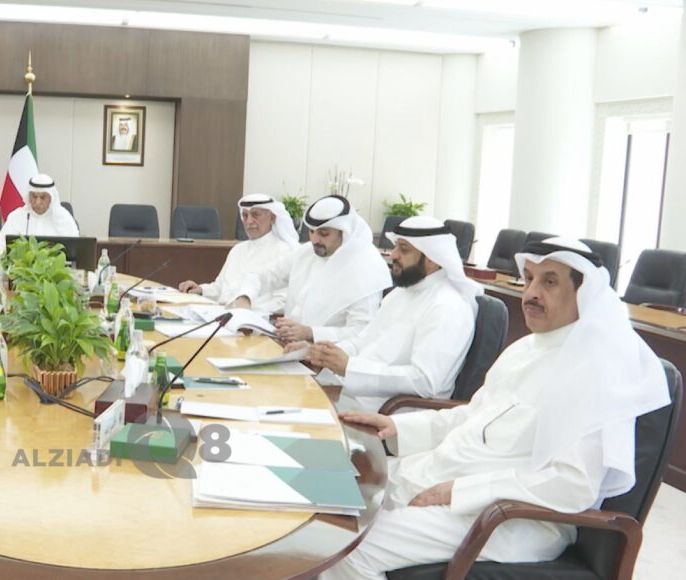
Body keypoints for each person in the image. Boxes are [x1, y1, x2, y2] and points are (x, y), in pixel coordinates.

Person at [323, 238, 671, 580]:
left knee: (349, 545)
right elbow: (473, 416)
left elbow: (573, 485)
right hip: (448, 477)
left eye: (549, 282)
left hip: (512, 518)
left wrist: (459, 492)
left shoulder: (600, 370)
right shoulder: (526, 348)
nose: (531, 292)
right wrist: (398, 427)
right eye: (530, 278)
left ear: (584, 293)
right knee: (333, 495)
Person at [289, 215, 479, 410]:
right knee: (287, 396)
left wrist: (349, 368)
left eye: (403, 249)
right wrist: (321, 354)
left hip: (395, 413)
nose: (393, 255)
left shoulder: (448, 307)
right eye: (395, 247)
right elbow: (363, 341)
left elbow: (425, 382)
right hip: (357, 396)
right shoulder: (401, 293)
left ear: (432, 259)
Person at [236, 195, 391, 343]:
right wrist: (245, 298)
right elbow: (262, 277)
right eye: (311, 231)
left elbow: (362, 332)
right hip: (287, 344)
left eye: (324, 233)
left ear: (344, 232)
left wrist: (310, 333)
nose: (315, 240)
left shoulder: (365, 267)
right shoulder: (306, 252)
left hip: (326, 356)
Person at [177, 193, 299, 311]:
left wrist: (245, 309)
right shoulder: (238, 249)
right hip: (221, 313)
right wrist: (201, 290)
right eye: (245, 215)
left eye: (255, 214)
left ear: (272, 218)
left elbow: (283, 302)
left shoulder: (285, 252)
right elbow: (220, 287)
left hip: (255, 319)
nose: (249, 221)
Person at [0, 173, 80, 251]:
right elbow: (0, 246)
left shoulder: (64, 218)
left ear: (51, 197)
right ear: (29, 195)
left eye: (43, 197)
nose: (38, 202)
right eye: (34, 196)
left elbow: (75, 249)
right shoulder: (16, 217)